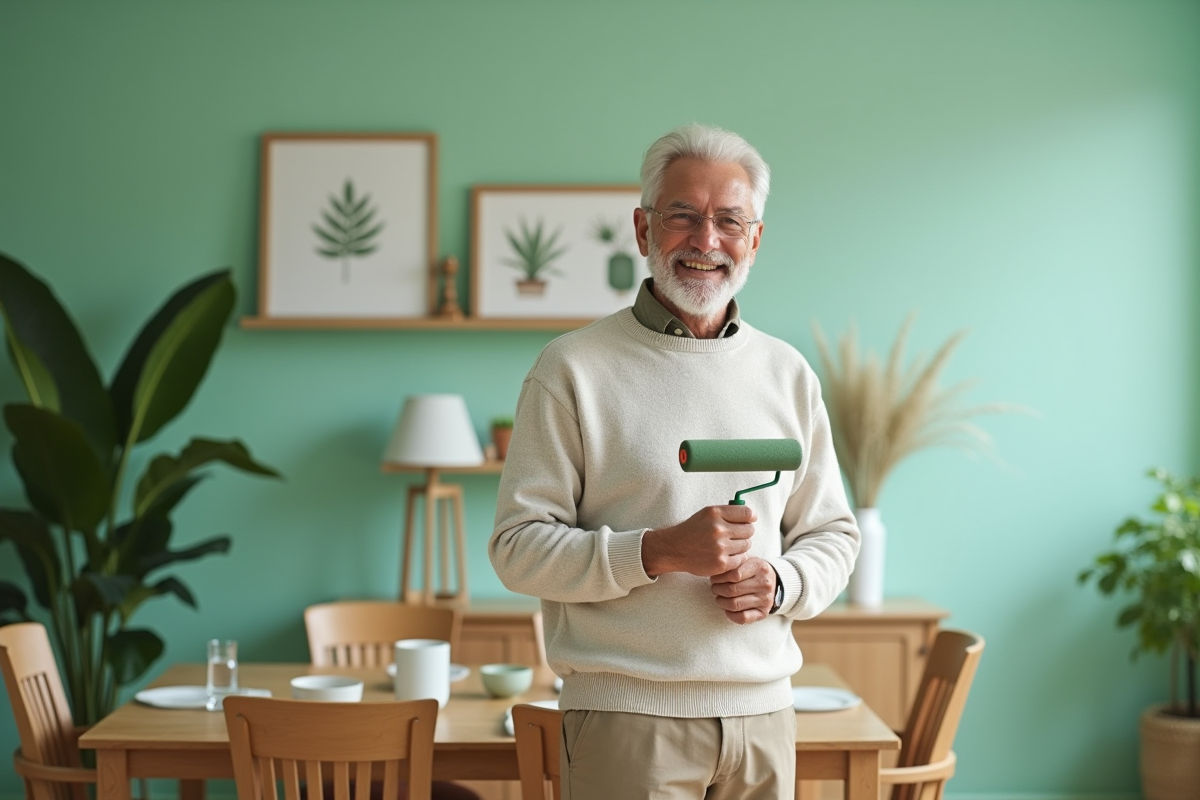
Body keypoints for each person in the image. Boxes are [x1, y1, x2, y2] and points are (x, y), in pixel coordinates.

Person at [489, 123, 860, 800]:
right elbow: (516, 549)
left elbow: (834, 535)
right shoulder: (572, 369)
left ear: (755, 239)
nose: (705, 240)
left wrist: (782, 583)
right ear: (642, 229)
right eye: (682, 216)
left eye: (728, 221)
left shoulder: (788, 374)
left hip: (765, 721)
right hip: (623, 722)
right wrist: (655, 551)